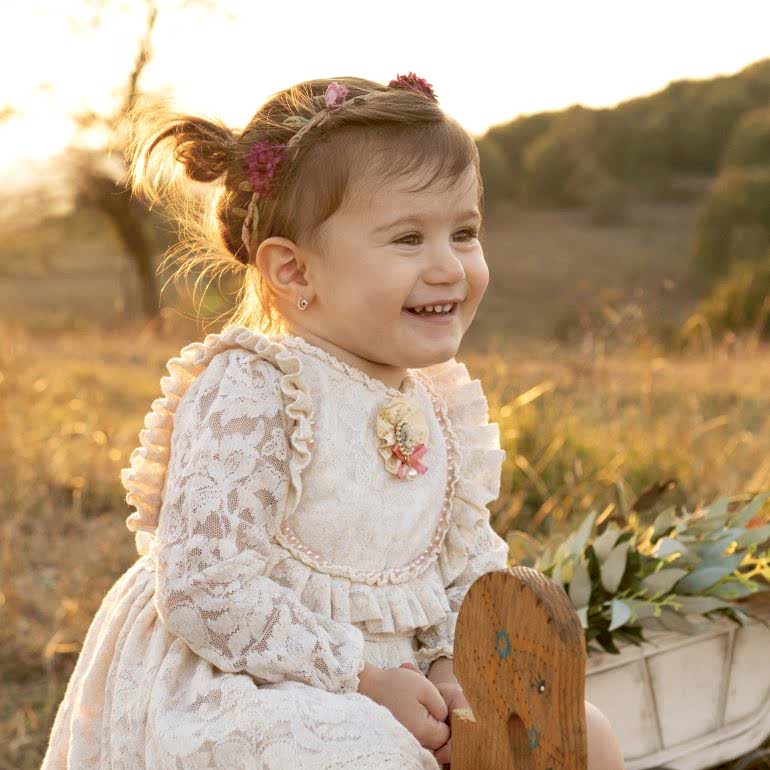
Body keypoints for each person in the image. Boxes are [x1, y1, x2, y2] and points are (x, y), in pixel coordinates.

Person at [41, 74, 624, 769]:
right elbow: (204, 588)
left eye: (464, 233)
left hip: (403, 678)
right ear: (294, 272)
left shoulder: (440, 402)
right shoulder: (258, 388)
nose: (449, 266)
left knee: (582, 733)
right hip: (251, 673)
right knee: (361, 754)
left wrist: (453, 666)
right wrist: (361, 679)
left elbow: (464, 564)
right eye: (408, 238)